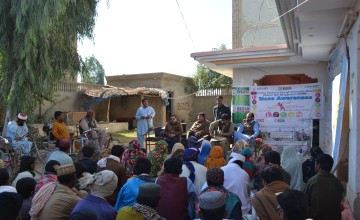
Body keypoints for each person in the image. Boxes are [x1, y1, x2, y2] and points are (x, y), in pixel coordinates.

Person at [304, 154, 344, 220]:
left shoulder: (312, 181)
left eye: (315, 164)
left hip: (316, 217)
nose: (314, 166)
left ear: (318, 166)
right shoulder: (338, 182)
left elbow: (305, 201)